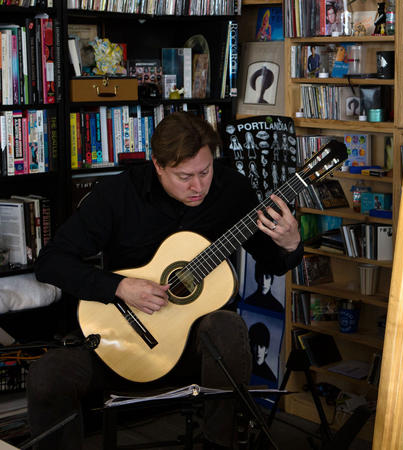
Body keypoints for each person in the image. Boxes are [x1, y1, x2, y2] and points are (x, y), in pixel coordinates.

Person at [29, 112, 303, 449]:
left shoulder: (232, 190)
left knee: (228, 327)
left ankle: (221, 445)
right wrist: (119, 286)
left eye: (205, 172)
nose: (198, 186)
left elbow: (273, 262)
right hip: (121, 338)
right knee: (47, 376)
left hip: (196, 346)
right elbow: (51, 263)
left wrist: (290, 244)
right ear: (158, 165)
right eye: (184, 176)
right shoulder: (117, 194)